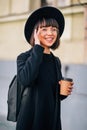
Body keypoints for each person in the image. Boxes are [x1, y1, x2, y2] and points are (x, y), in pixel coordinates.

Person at [16, 6, 73, 130]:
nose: (50, 33)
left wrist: (64, 92)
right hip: (31, 123)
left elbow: (52, 95)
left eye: (54, 29)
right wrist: (37, 48)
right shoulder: (23, 58)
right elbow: (26, 80)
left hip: (51, 123)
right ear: (35, 33)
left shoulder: (55, 61)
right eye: (44, 29)